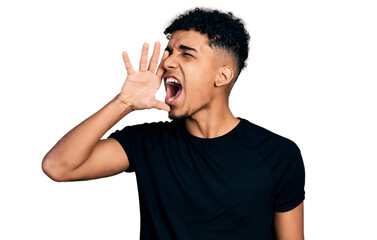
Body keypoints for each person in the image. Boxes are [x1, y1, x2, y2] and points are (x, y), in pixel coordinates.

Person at [42, 7, 305, 240]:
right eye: (169, 51)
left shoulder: (277, 154)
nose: (167, 61)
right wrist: (123, 103)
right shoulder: (147, 142)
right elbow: (58, 167)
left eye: (186, 54)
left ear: (222, 76)